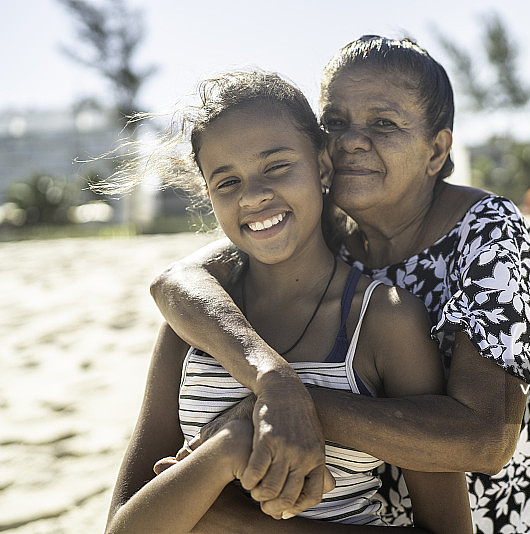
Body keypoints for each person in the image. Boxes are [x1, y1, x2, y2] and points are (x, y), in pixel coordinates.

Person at [152, 36, 530, 533]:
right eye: (335, 122)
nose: (351, 140)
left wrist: (286, 407)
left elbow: (486, 440)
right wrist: (275, 382)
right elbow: (177, 281)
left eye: (383, 124)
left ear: (437, 150)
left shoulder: (488, 235)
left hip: (501, 519)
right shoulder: (329, 224)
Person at [105, 70, 472, 533]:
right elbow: (121, 525)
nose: (254, 196)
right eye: (227, 182)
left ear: (323, 166)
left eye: (277, 167)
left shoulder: (384, 321)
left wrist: (227, 514)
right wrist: (228, 448)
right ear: (208, 195)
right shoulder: (196, 322)